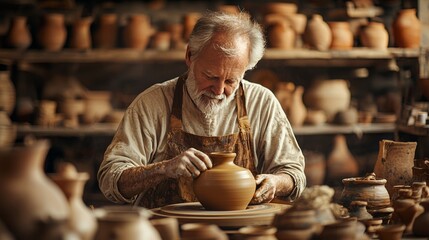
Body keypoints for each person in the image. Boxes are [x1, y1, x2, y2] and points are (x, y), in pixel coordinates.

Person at [98, 11, 306, 209]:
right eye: (211, 76)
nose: (218, 90)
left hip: (237, 230)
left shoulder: (261, 102)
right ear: (190, 56)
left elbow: (294, 174)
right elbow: (110, 180)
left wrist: (276, 182)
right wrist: (163, 169)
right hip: (167, 230)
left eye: (231, 81)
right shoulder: (152, 103)